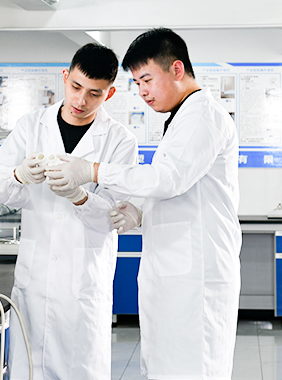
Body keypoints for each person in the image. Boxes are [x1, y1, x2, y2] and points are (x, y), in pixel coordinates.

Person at [46, 28, 241, 380]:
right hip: (174, 278)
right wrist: (140, 212)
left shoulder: (203, 116)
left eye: (147, 80)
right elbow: (177, 189)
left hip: (196, 283)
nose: (143, 92)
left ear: (177, 69)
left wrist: (93, 170)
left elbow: (168, 178)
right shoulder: (182, 119)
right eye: (137, 83)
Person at [0, 43, 138, 380]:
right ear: (65, 77)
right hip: (35, 282)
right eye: (76, 87)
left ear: (110, 94)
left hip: (82, 285)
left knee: (80, 370)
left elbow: (114, 215)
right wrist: (18, 175)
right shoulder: (31, 126)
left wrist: (80, 197)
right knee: (28, 370)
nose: (81, 100)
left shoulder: (120, 141)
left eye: (95, 94)